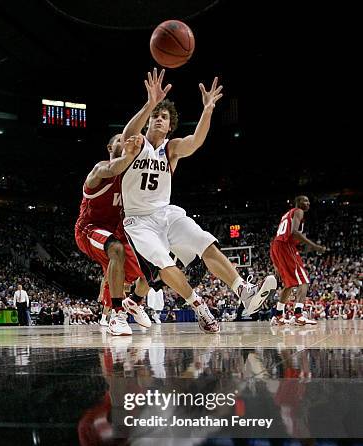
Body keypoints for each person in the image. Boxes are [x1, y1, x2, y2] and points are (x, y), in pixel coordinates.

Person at [121, 68, 276, 333]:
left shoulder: (171, 149)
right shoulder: (137, 144)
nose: (158, 119)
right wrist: (150, 103)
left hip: (166, 213)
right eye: (155, 116)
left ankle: (244, 291)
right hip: (139, 220)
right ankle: (198, 307)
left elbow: (195, 142)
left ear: (171, 126)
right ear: (149, 121)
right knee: (163, 264)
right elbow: (126, 136)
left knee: (205, 241)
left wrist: (207, 109)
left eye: (164, 117)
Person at [75, 134, 151, 336]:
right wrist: (131, 153)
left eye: (127, 138)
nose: (125, 141)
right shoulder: (101, 168)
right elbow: (112, 168)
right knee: (115, 248)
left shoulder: (131, 179)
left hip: (117, 231)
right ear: (110, 147)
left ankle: (134, 302)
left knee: (154, 263)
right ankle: (117, 315)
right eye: (120, 140)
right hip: (89, 229)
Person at [270, 195, 326, 326]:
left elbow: (280, 237)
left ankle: (278, 316)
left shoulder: (286, 215)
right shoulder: (298, 211)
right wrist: (314, 246)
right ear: (298, 203)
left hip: (277, 246)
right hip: (286, 246)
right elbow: (294, 232)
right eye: (305, 200)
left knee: (289, 285)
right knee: (304, 281)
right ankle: (298, 315)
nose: (308, 203)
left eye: (308, 200)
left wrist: (275, 263)